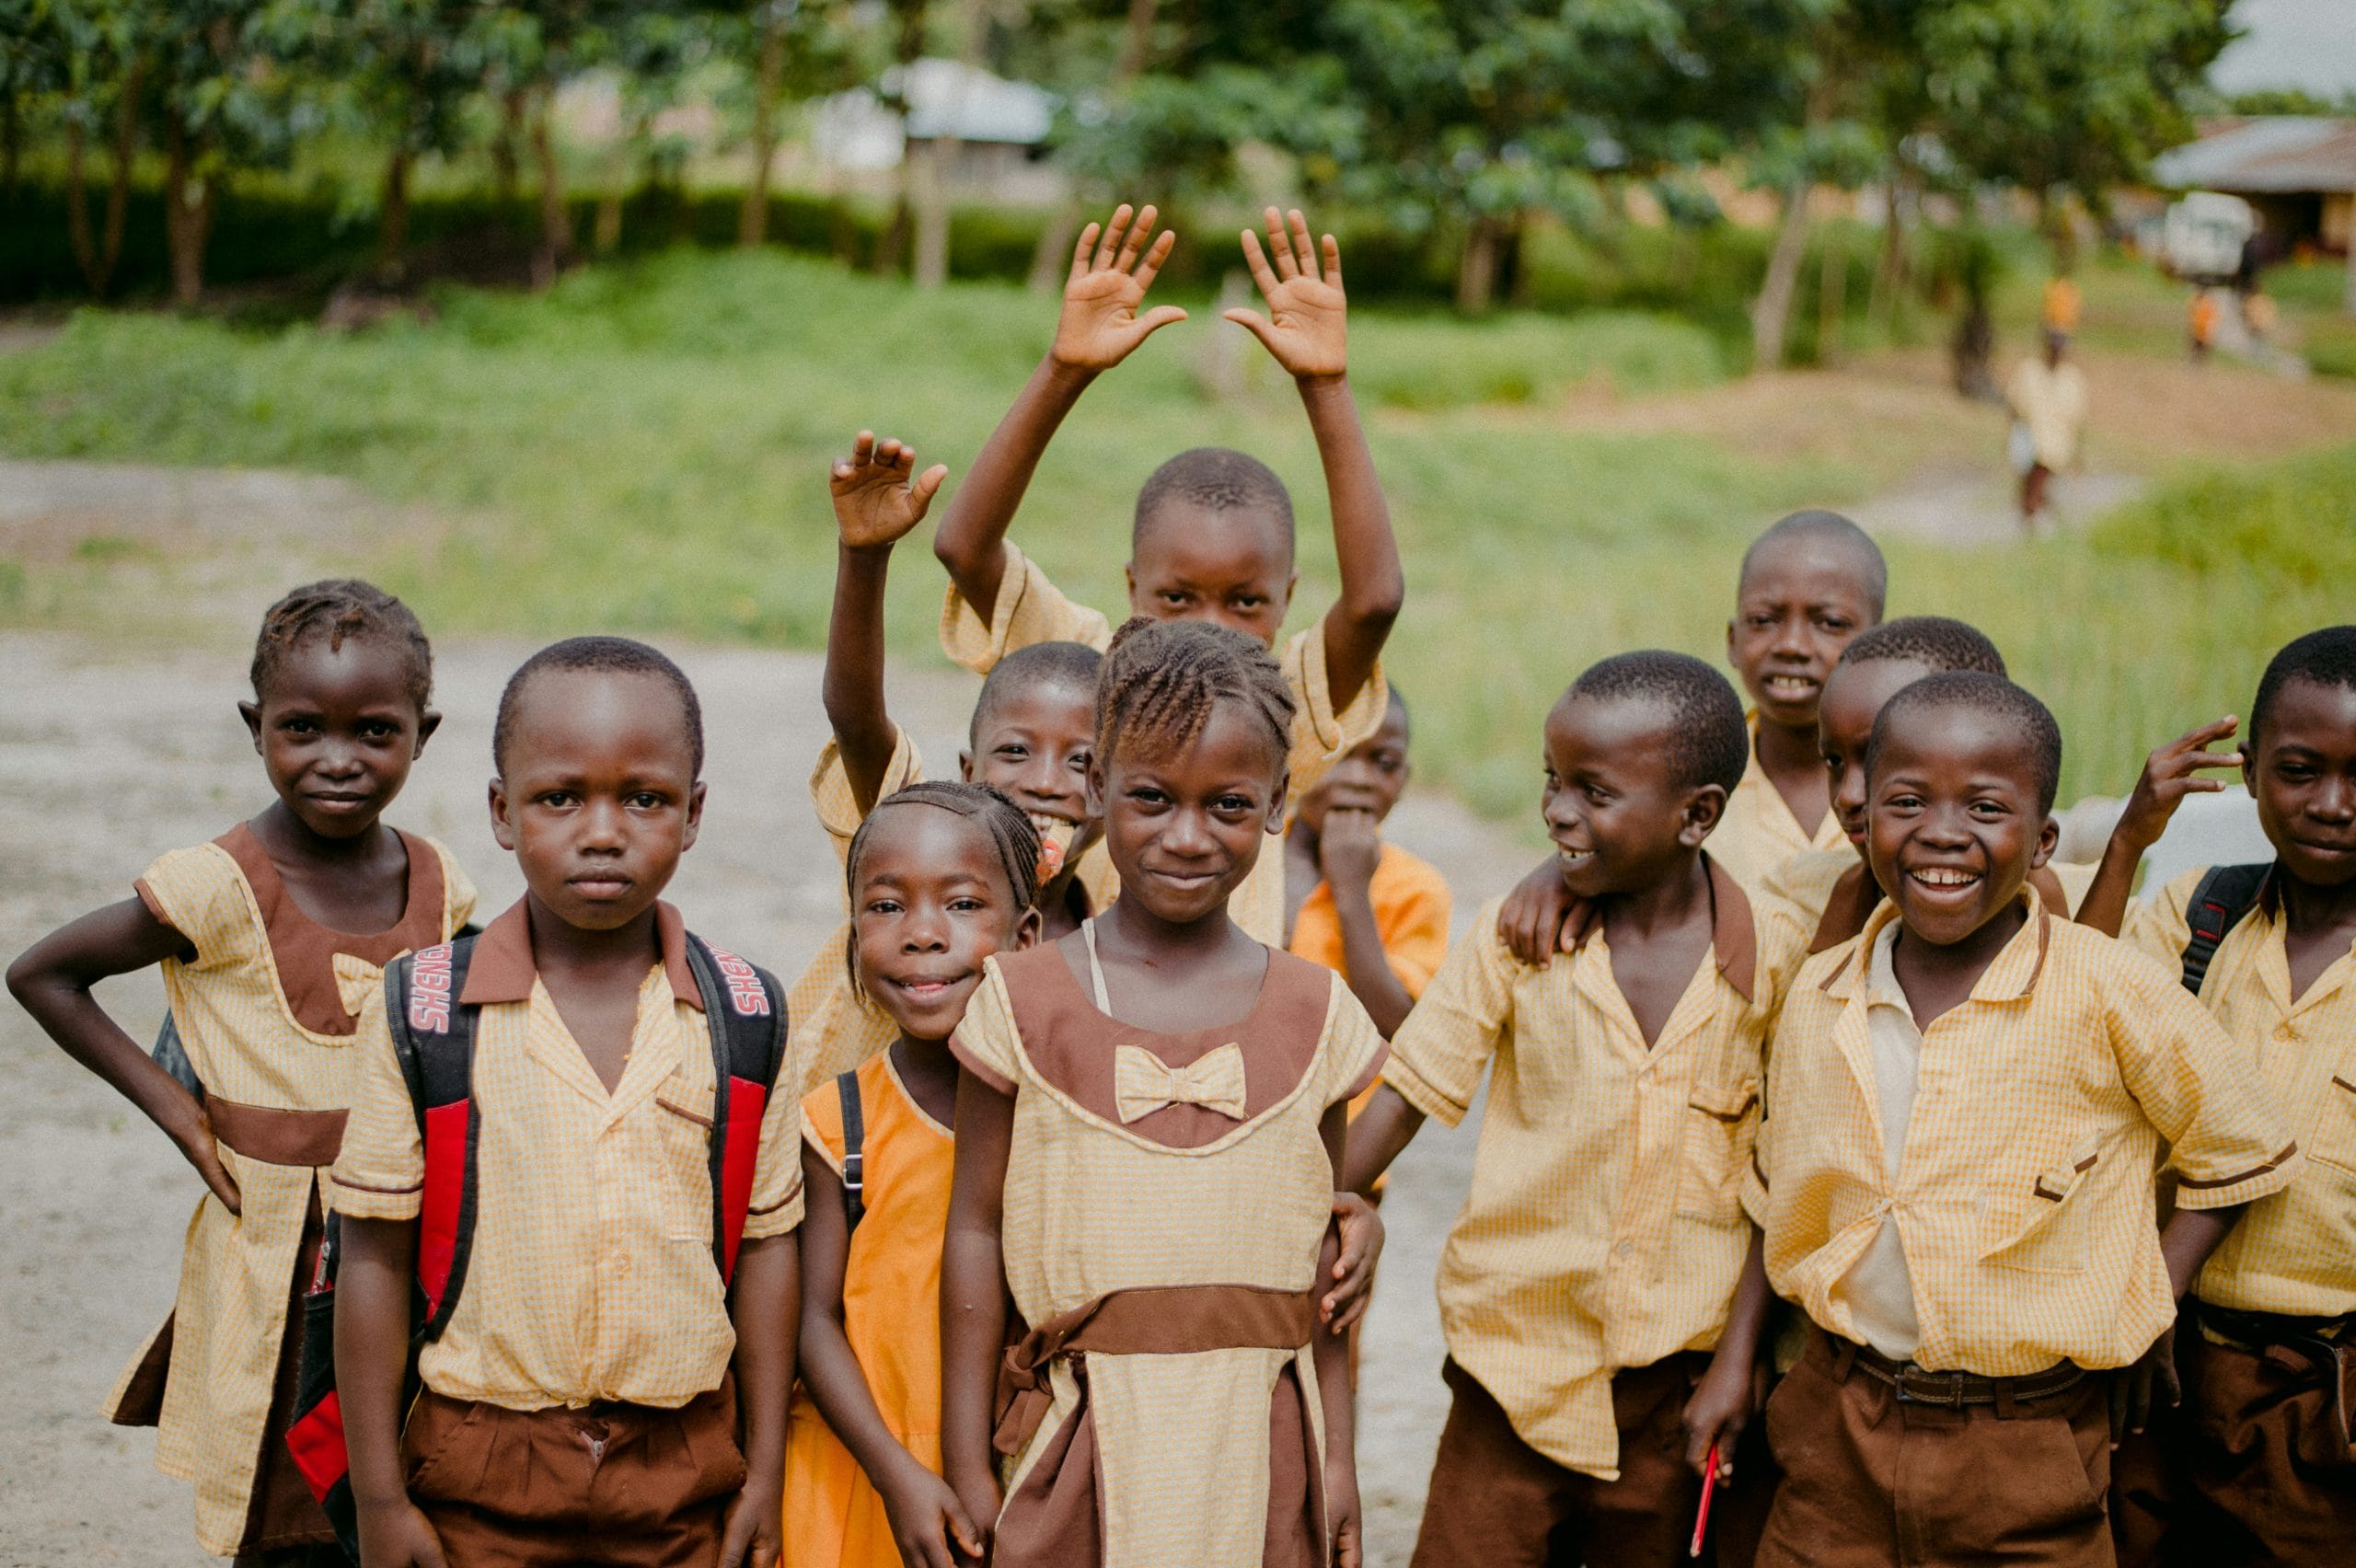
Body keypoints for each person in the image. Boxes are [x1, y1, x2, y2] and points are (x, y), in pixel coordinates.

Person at [1734, 672, 2297, 1568]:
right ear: (1864, 820)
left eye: (1986, 808)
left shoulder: (2106, 987)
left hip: (2027, 1438)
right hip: (1839, 1416)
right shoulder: (1822, 990)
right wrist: (1745, 1364)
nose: (1942, 832)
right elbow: (1785, 1184)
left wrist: (2148, 1298)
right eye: (1906, 802)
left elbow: (2239, 1146)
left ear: (2042, 841)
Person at [7, 581, 476, 1567]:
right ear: (254, 726)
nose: (338, 759)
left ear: (422, 736)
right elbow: (44, 975)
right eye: (302, 728)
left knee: (410, 1472)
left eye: (375, 732)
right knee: (286, 1499)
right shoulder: (218, 885)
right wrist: (178, 1110)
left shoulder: (438, 885)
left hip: (404, 1232)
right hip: (280, 1251)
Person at [328, 637, 802, 1567]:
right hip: (477, 1467)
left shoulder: (745, 1013)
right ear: (502, 812)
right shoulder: (425, 1010)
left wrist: (766, 1475)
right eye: (560, 798)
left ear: (694, 814)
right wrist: (379, 1496)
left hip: (683, 1472)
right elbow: (372, 1259)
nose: (603, 831)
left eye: (645, 799)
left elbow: (767, 1249)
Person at [939, 618, 1389, 1567]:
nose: (1187, 837)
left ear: (1277, 802)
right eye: (1151, 797)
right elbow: (973, 1231)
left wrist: (1339, 1457)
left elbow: (1324, 1252)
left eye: (1228, 805)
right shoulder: (1023, 1000)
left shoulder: (1315, 1012)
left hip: (1262, 1450)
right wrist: (965, 1455)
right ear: (1099, 788)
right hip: (1080, 1446)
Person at [1342, 651, 1798, 1567]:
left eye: (1594, 792)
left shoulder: (1777, 966)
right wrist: (1301, 1205)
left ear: (1696, 815)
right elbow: (1410, 1089)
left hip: (1678, 1396)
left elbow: (1780, 1184)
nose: (1557, 810)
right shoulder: (1517, 939)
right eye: (1553, 780)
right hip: (1510, 1379)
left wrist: (1739, 1361)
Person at [927, 202, 1405, 948]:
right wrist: (1065, 371)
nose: (1209, 629)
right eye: (1177, 598)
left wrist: (1327, 385)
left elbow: (1373, 603)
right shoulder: (1089, 672)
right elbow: (965, 548)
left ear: (1287, 600)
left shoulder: (1274, 710)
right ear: (1132, 588)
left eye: (1245, 602)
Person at [2079, 628, 2356, 1566]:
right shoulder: (2203, 915)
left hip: (2327, 1388)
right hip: (2165, 1360)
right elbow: (2075, 1017)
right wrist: (2128, 841)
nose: (2332, 805)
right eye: (2299, 771)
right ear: (2250, 773)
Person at [786, 432, 1111, 1100]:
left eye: (1081, 762)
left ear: (1116, 789)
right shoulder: (914, 840)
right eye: (1014, 752)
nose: (1044, 782)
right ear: (969, 771)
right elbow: (856, 717)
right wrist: (864, 557)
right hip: (836, 1155)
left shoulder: (1113, 931)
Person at [787, 781, 1045, 1568]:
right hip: (862, 1473)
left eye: (963, 905)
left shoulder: (1063, 1119)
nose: (924, 935)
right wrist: (896, 1473)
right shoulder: (841, 1122)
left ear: (1026, 937)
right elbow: (812, 1320)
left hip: (1021, 1473)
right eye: (887, 907)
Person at [1494, 510, 1884, 964]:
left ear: (1877, 645)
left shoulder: (1916, 782)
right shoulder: (1676, 778)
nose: (1792, 645)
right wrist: (1562, 872)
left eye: (1830, 623)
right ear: (1732, 640)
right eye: (1764, 620)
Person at [1765, 614, 2096, 940]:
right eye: (1834, 761)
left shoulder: (2080, 901)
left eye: (1876, 759)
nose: (1847, 796)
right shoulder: (1799, 894)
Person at [1284, 687, 1449, 1039]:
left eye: (1384, 763)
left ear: (1403, 779)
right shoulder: (1251, 858)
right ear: (1293, 759)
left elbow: (1400, 1027)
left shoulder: (1417, 889)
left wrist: (1352, 891)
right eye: (1336, 753)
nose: (1358, 778)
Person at [2006, 329, 2089, 527]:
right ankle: (2037, 518)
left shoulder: (2072, 378)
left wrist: (2077, 454)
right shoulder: (2029, 370)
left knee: (2039, 481)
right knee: (2031, 484)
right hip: (2029, 437)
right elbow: (2014, 405)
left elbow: (2078, 420)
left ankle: (2035, 518)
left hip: (2056, 443)